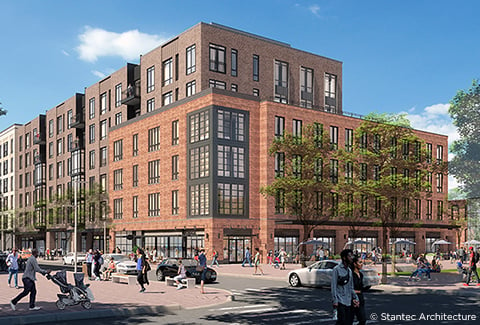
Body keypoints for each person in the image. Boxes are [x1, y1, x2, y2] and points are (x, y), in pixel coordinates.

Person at [331, 249, 359, 325]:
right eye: (349, 256)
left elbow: (351, 287)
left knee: (348, 321)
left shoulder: (349, 271)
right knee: (342, 321)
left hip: (348, 300)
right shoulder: (336, 269)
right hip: (340, 300)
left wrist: (356, 298)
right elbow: (333, 286)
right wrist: (335, 300)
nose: (351, 258)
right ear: (344, 258)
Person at [350, 255, 367, 325]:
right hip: (352, 299)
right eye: (360, 262)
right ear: (355, 264)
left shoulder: (361, 274)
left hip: (360, 298)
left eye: (362, 262)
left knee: (363, 319)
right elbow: (349, 288)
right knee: (348, 320)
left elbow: (361, 287)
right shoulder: (351, 274)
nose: (362, 264)